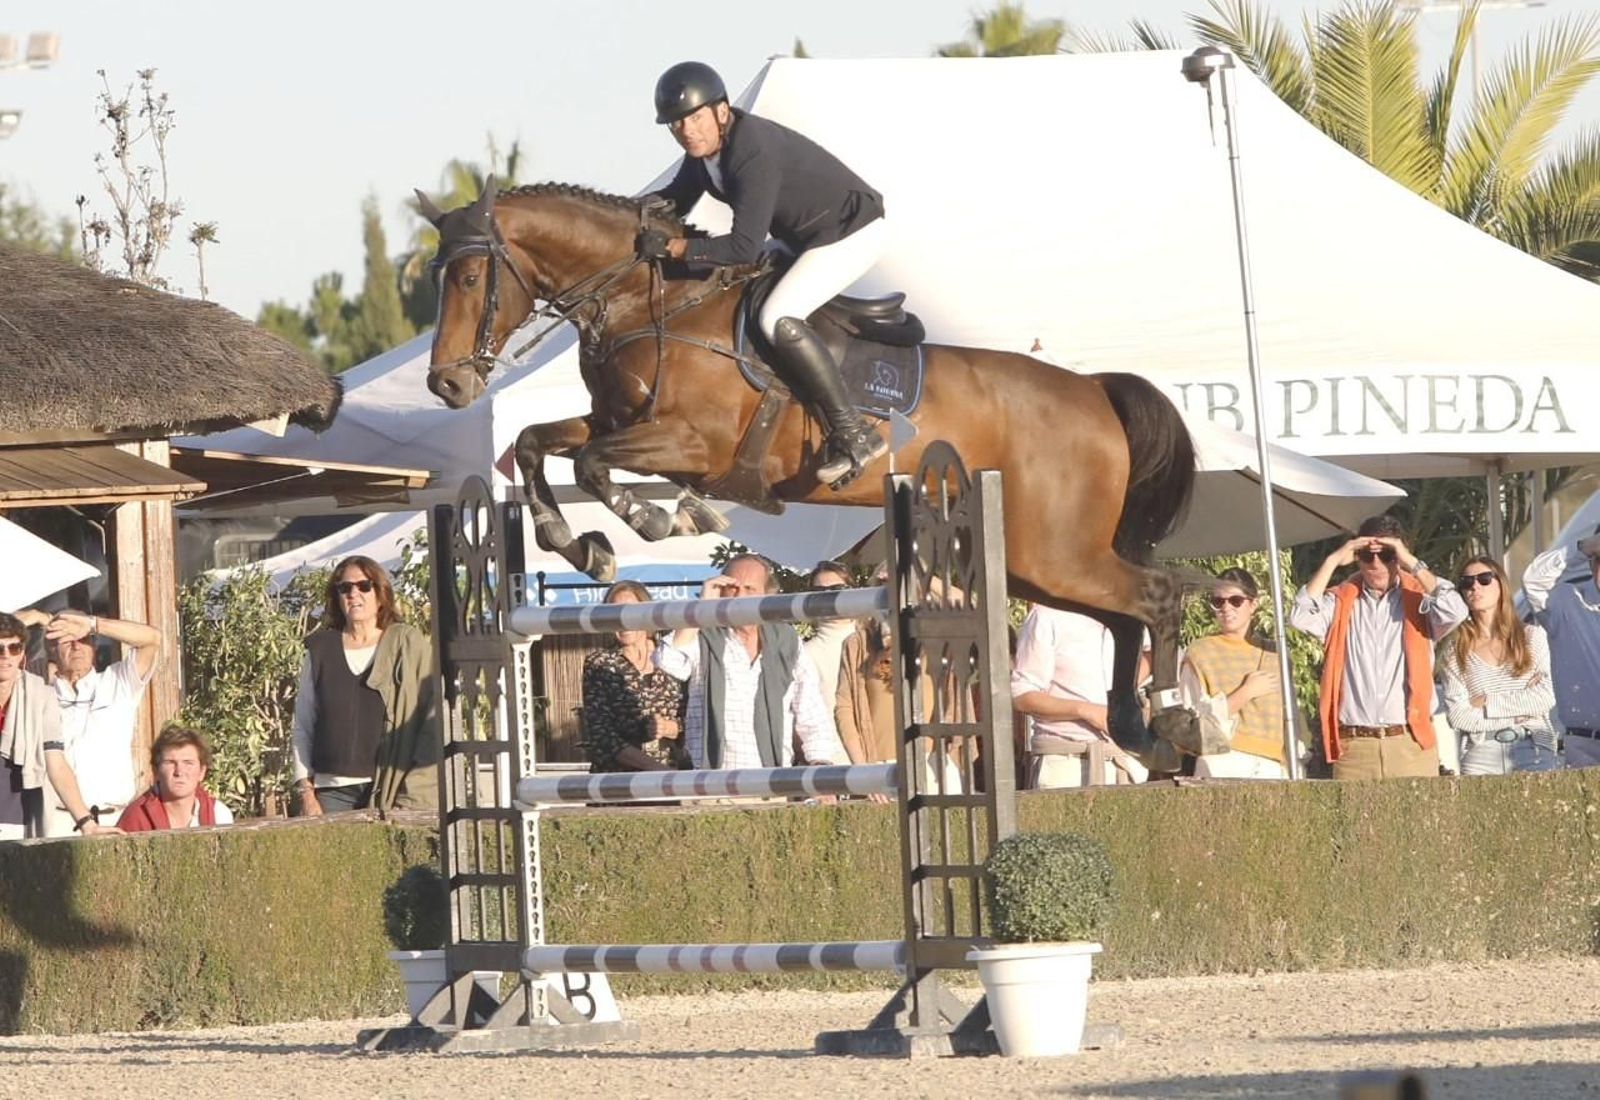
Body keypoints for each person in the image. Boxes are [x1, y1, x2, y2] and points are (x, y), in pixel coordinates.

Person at [641, 60, 890, 486]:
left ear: (721, 111)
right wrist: (616, 218)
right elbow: (672, 201)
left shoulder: (750, 151)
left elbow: (742, 247)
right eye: (677, 125)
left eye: (695, 119)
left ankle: (853, 433)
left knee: (776, 317)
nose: (687, 131)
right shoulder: (703, 153)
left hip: (849, 233)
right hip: (803, 236)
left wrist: (676, 248)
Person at [1290, 515, 1468, 780]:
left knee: (1416, 822)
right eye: (1366, 555)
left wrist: (1410, 560)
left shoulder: (1419, 597)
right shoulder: (1341, 600)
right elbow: (1299, 617)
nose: (1376, 563)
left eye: (1386, 555)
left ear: (1399, 556)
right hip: (1354, 747)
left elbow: (1455, 610)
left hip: (1409, 742)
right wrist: (1332, 561)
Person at [653, 553, 848, 771]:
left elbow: (811, 712)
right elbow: (667, 661)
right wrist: (700, 608)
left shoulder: (786, 640)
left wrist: (819, 764)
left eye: (750, 589)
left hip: (772, 782)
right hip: (710, 784)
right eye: (733, 587)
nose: (739, 596)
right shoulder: (701, 634)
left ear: (767, 595)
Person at [291, 556, 441, 815]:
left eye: (363, 586)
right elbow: (303, 723)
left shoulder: (407, 644)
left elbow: (431, 721)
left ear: (380, 593)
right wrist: (306, 791)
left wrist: (412, 795)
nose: (353, 594)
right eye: (344, 588)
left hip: (388, 787)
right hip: (331, 793)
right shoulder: (320, 649)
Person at [15, 606, 162, 835]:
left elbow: (152, 638)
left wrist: (93, 624)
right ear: (50, 648)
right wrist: (39, 617)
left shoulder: (117, 681)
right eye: (66, 639)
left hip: (116, 819)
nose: (76, 645)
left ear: (93, 645)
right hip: (56, 821)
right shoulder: (37, 693)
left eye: (83, 638)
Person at [0, 612, 117, 838]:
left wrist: (87, 823)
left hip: (17, 818)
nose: (6, 656)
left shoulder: (41, 696)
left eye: (14, 648)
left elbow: (57, 764)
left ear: (22, 653)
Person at [1439, 557, 1557, 775]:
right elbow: (1458, 716)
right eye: (1467, 582)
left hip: (1533, 747)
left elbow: (1545, 697)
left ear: (1501, 585)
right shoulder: (1455, 651)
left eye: (1484, 579)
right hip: (1480, 754)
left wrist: (1485, 701)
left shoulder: (1531, 637)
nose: (1475, 586)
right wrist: (1520, 707)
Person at [1010, 604, 1149, 788]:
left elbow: (1151, 653)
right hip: (1067, 764)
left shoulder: (1130, 614)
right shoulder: (1047, 616)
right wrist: (1086, 711)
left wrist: (1126, 685)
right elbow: (1021, 694)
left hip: (1125, 763)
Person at [1178, 568, 1288, 780]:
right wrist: (1244, 693)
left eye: (1235, 600)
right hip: (1222, 759)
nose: (1226, 608)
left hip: (1272, 764)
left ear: (1253, 604)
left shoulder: (1277, 654)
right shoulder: (1201, 652)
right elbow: (1189, 719)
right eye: (1218, 602)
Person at [580, 580, 688, 772]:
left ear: (647, 614)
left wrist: (669, 727)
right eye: (615, 613)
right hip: (618, 783)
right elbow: (602, 736)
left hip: (672, 782)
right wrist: (654, 768)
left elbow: (694, 718)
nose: (623, 620)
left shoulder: (671, 656)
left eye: (631, 612)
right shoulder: (599, 664)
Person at [1522, 524, 1600, 767]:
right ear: (1591, 563)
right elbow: (1533, 580)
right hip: (1586, 746)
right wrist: (1585, 547)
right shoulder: (1568, 601)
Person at [116, 726, 236, 831]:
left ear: (202, 772)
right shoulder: (136, 818)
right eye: (170, 762)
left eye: (188, 763)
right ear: (155, 771)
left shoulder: (219, 816)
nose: (179, 772)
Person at [801, 560, 857, 714]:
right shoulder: (806, 654)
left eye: (836, 589)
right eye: (819, 591)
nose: (828, 597)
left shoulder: (873, 640)